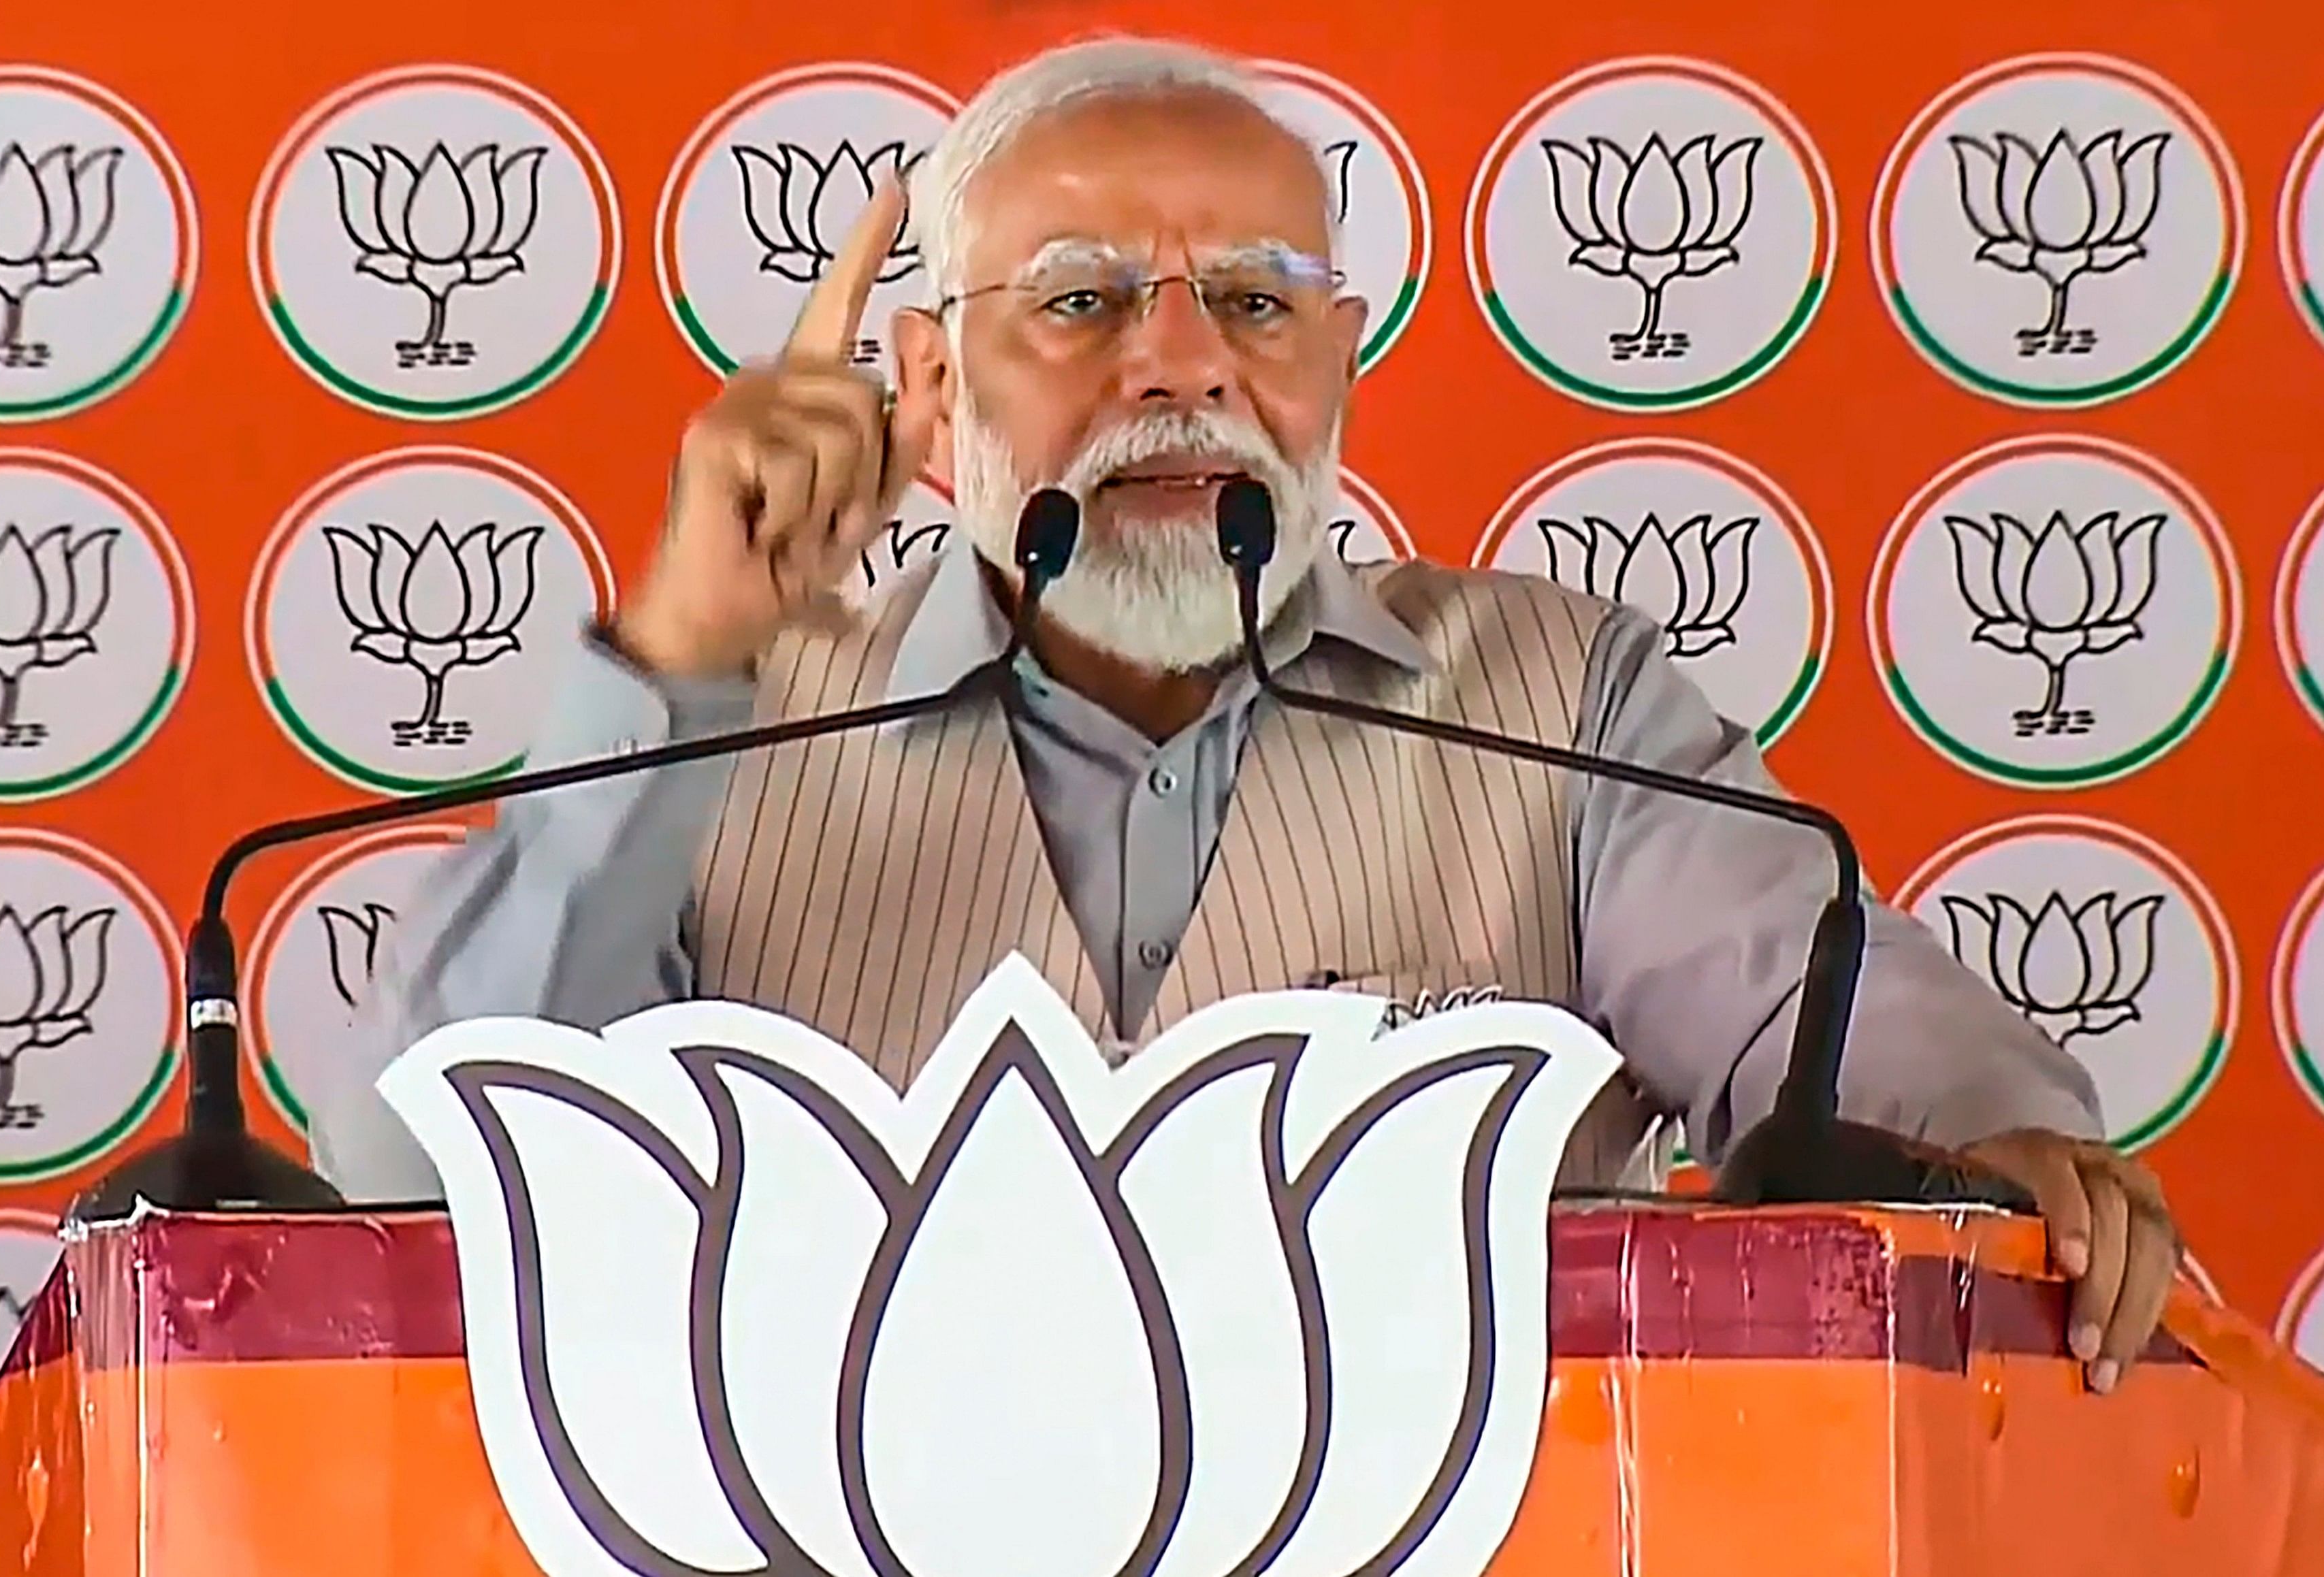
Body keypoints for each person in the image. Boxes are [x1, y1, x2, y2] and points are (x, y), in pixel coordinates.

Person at [312, 35, 2184, 1393]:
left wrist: (1992, 1152)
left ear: (1338, 372)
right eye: (1085, 300)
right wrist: (679, 651)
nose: (1184, 362)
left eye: (1260, 307)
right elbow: (409, 1182)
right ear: (931, 385)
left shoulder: (1556, 697)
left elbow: (1842, 1035)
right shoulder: (724, 736)